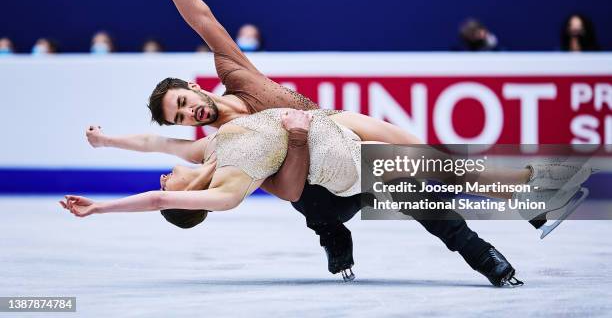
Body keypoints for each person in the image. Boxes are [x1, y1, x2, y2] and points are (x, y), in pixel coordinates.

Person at [82, 0, 541, 285]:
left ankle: (511, 193)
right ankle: (333, 235)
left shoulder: (236, 73)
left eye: (183, 103)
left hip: (331, 127)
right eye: (180, 117)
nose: (189, 115)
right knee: (322, 206)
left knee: (427, 162)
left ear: (192, 86)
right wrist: (109, 143)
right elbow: (160, 146)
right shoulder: (221, 146)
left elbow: (202, 19)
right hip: (314, 184)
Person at [72, 107, 544, 286]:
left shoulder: (208, 146)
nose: (161, 179)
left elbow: (157, 142)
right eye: (164, 185)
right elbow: (156, 201)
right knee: (307, 200)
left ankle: (515, 229)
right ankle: (336, 240)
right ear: (180, 202)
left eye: (160, 183)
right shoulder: (225, 192)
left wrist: (108, 140)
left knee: (434, 190)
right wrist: (99, 208)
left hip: (351, 146)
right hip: (335, 189)